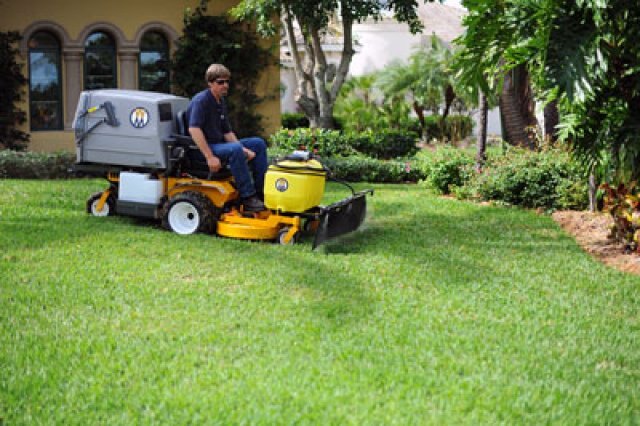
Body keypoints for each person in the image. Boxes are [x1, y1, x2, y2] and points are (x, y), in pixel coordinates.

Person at [187, 64, 268, 212]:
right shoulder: (201, 101)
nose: (225, 85)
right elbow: (194, 129)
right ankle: (248, 197)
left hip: (220, 145)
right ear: (210, 83)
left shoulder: (220, 101)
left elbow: (227, 133)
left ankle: (261, 192)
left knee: (258, 143)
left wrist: (244, 149)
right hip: (204, 148)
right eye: (220, 82)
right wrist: (209, 157)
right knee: (235, 149)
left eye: (226, 82)